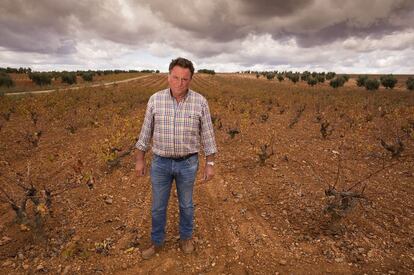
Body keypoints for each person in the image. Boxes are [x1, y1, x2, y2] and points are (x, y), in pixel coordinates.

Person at [135, 57, 217, 259]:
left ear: (190, 80)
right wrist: (140, 159)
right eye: (176, 77)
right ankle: (156, 242)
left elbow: (207, 134)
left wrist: (210, 163)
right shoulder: (155, 100)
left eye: (184, 79)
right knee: (158, 206)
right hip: (160, 163)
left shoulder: (200, 102)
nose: (179, 83)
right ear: (168, 77)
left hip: (188, 163)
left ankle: (186, 237)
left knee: (186, 204)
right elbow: (146, 132)